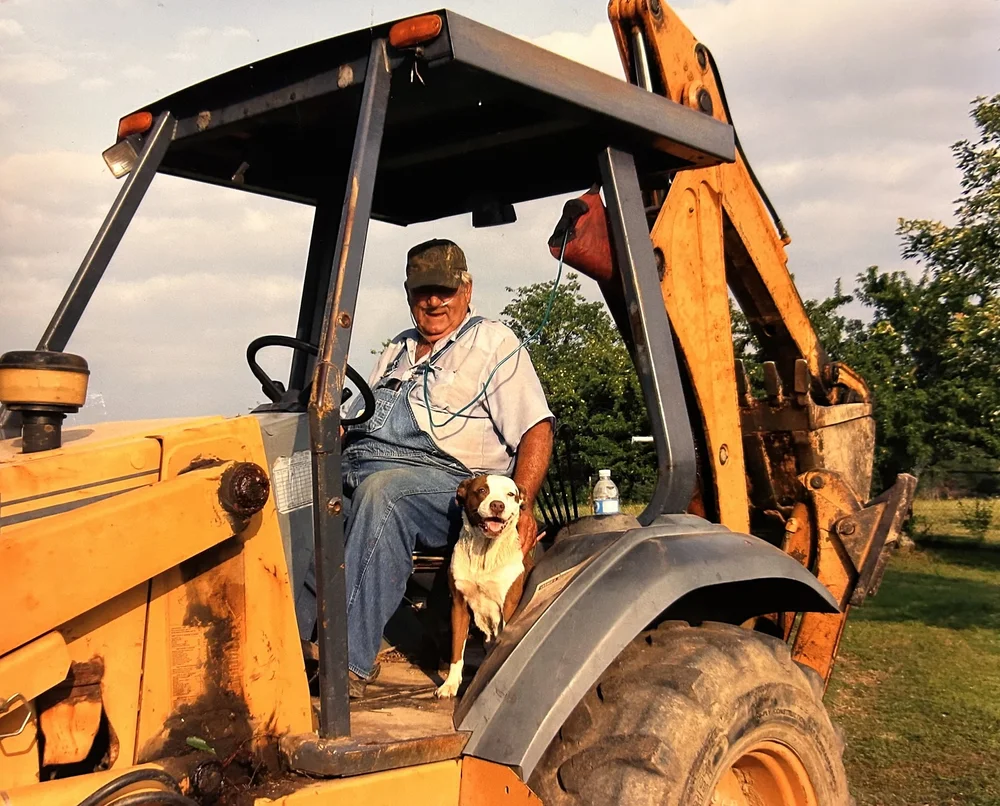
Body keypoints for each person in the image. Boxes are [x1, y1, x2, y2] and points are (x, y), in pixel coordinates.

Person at [320, 238, 554, 697]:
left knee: (386, 494)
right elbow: (354, 419)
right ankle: (297, 641)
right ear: (409, 295)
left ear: (466, 290)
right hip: (365, 464)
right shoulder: (396, 350)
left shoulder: (494, 343)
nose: (433, 301)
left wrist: (520, 504)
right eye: (422, 291)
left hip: (451, 482)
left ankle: (344, 665)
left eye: (444, 290)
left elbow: (536, 429)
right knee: (302, 493)